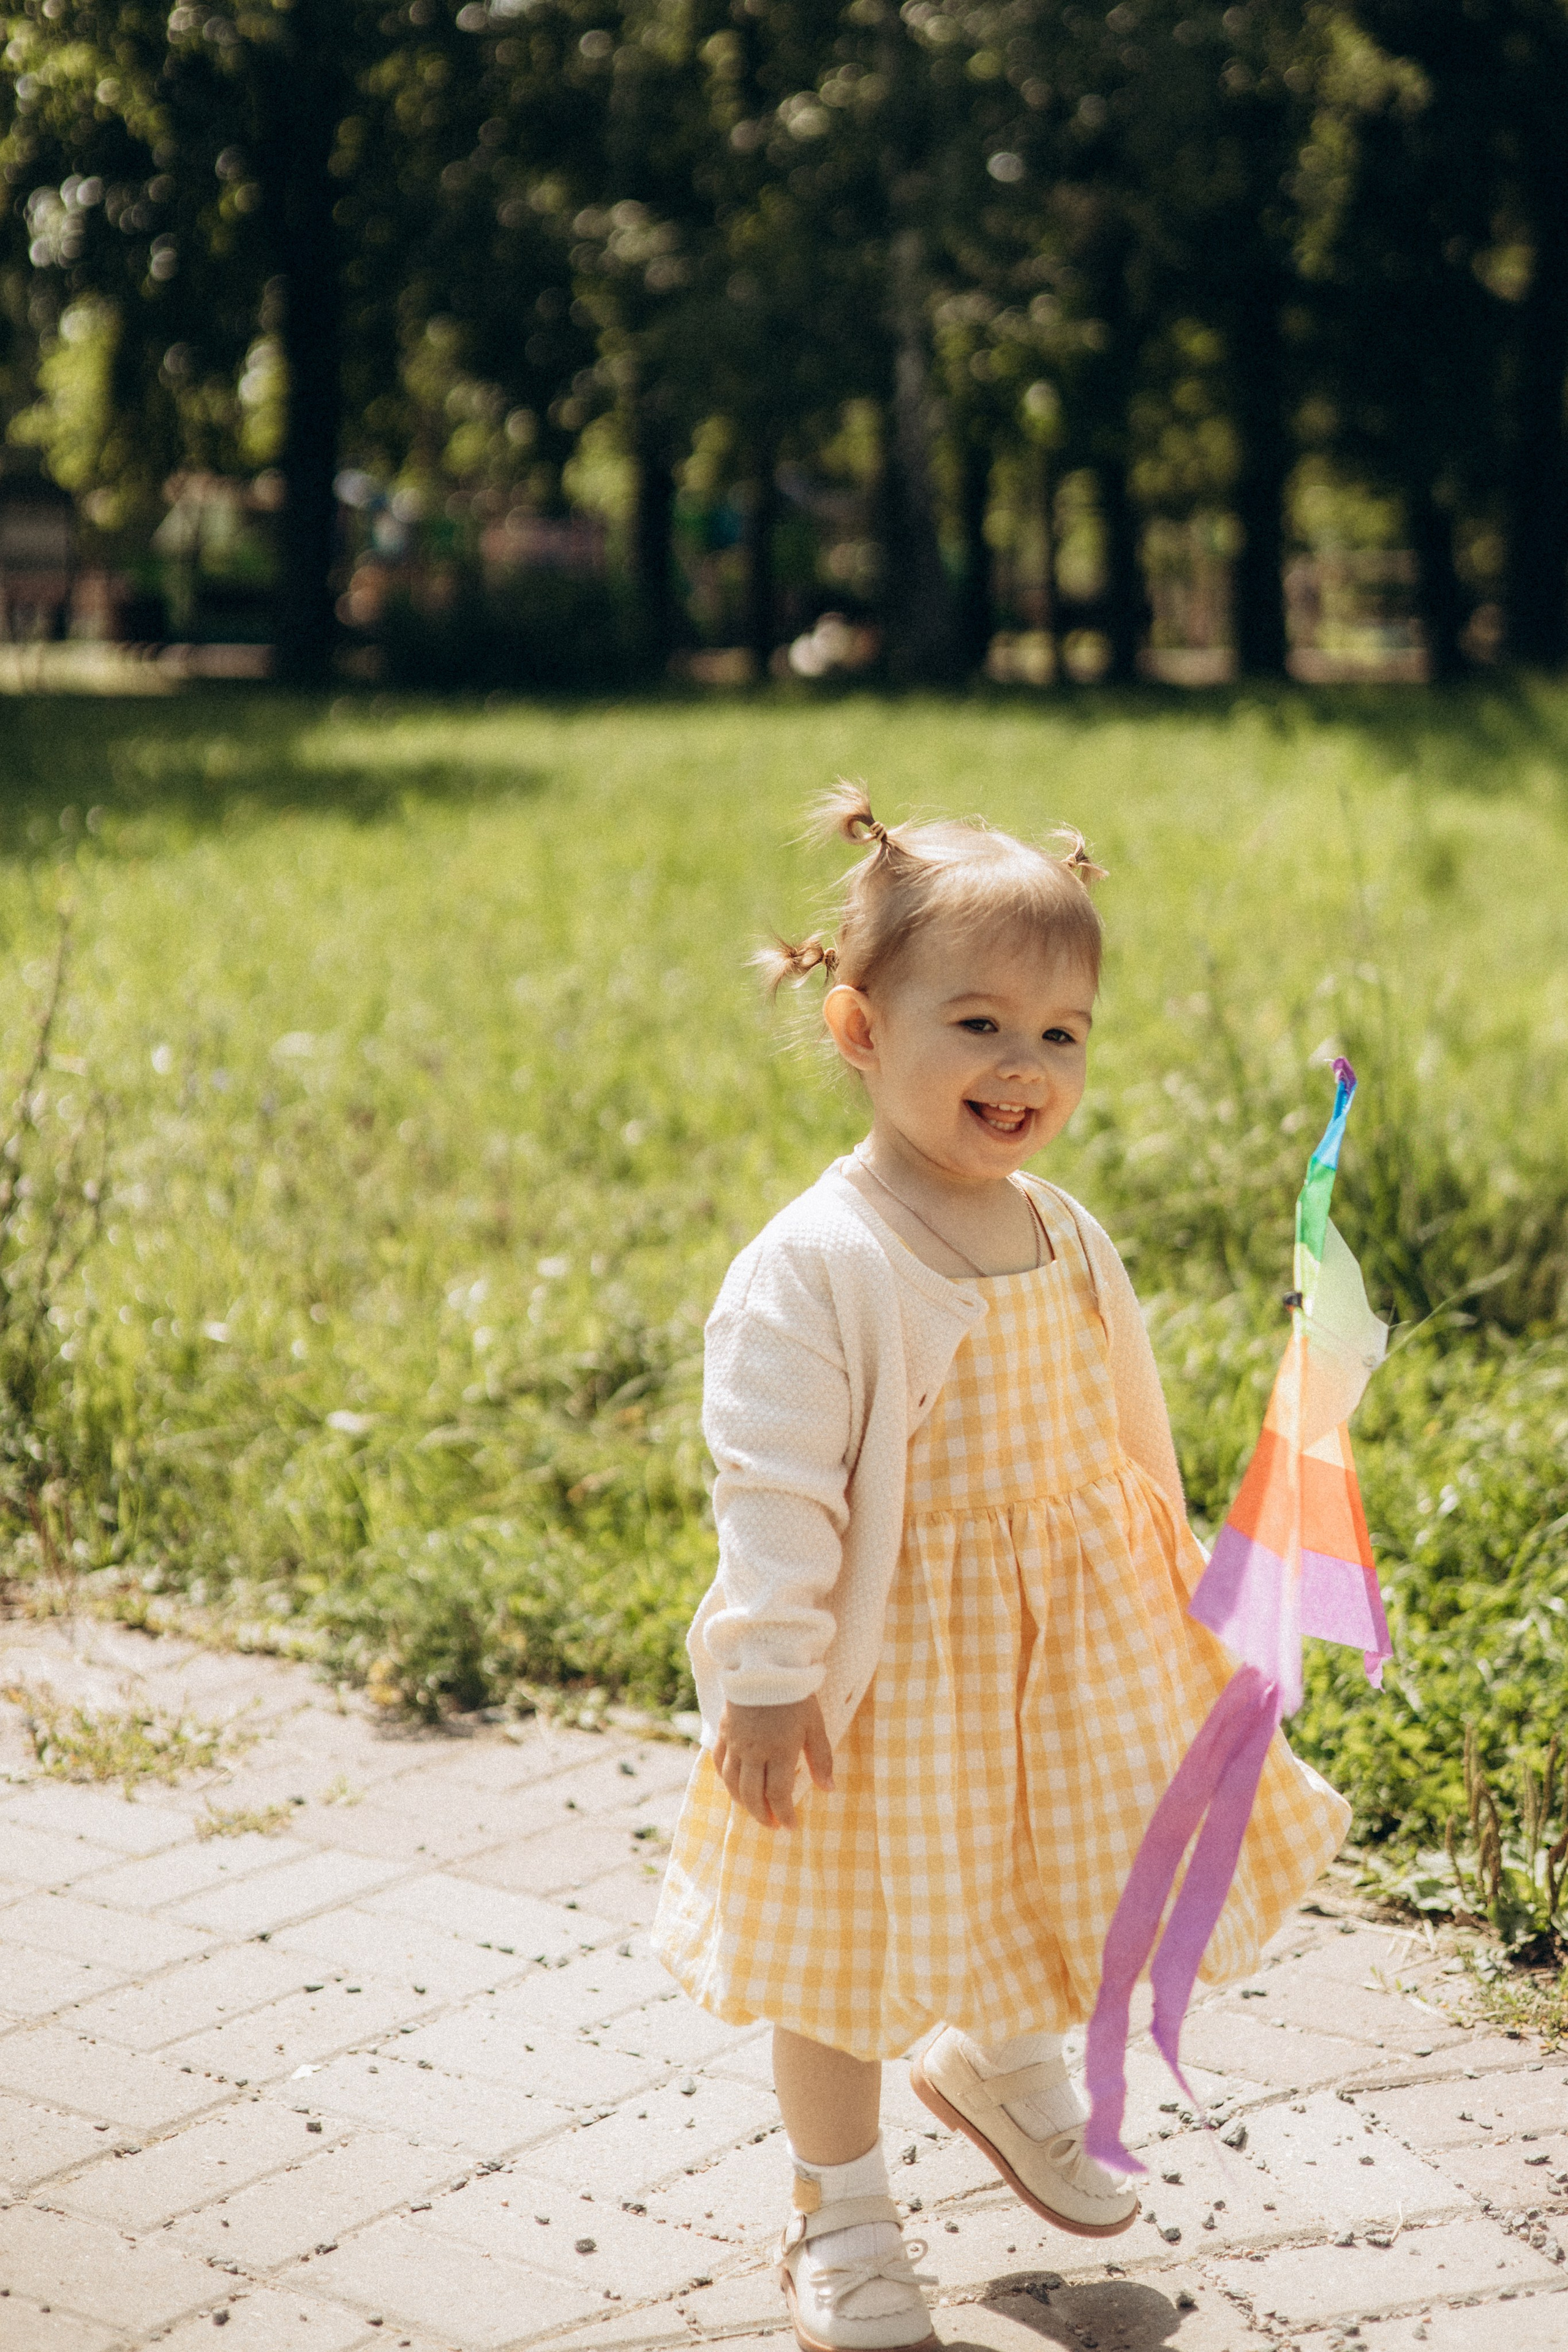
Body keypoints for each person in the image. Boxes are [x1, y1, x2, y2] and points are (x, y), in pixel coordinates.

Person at [650, 788, 1349, 2352]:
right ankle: (836, 2208)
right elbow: (768, 1489)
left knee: (1060, 1864)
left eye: (1061, 1034)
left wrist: (1180, 1575)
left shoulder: (1057, 1226)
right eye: (974, 1024)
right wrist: (764, 1678)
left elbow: (1121, 1422)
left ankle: (995, 2055)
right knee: (835, 1945)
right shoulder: (818, 1264)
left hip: (1068, 1634)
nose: (1022, 1069)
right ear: (853, 1026)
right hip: (883, 1676)